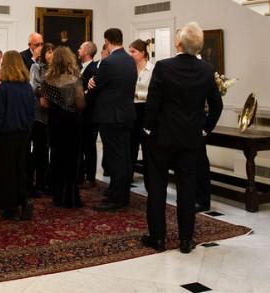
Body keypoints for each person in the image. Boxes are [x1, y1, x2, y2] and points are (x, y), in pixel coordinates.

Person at [142, 22, 223, 254]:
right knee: (187, 189)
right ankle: (186, 240)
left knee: (157, 188)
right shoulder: (206, 69)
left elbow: (153, 102)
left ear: (178, 43)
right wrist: (205, 129)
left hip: (162, 137)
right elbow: (216, 105)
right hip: (190, 139)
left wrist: (147, 128)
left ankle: (158, 238)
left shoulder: (163, 66)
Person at [87, 28, 137, 211]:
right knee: (124, 157)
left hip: (110, 116)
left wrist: (90, 85)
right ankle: (121, 192)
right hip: (126, 114)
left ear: (107, 41)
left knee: (115, 158)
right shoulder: (130, 60)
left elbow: (97, 86)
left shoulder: (108, 62)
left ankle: (117, 197)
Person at [0, 50, 36, 220]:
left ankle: (11, 208)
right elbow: (31, 113)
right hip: (23, 134)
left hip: (7, 136)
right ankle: (23, 201)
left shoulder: (4, 88)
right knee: (20, 170)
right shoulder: (27, 87)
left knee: (7, 171)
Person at [41, 46, 85, 208]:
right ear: (69, 60)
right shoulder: (75, 79)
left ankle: (58, 196)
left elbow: (43, 103)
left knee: (57, 156)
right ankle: (72, 198)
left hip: (55, 121)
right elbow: (81, 104)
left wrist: (56, 106)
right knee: (72, 158)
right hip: (72, 122)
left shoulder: (47, 80)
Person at [29, 42, 54, 195]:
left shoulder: (57, 69)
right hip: (39, 114)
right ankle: (36, 183)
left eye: (53, 51)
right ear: (43, 54)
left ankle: (46, 181)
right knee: (40, 150)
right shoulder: (36, 67)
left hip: (53, 113)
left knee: (49, 151)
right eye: (48, 52)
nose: (51, 54)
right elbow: (34, 87)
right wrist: (49, 93)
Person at [129, 39, 153, 177]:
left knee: (146, 145)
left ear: (143, 53)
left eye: (133, 51)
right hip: (131, 109)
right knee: (131, 144)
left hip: (145, 109)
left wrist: (138, 94)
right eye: (130, 51)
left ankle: (149, 178)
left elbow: (155, 93)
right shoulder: (130, 68)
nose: (131, 54)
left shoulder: (152, 69)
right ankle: (128, 175)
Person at [78, 41, 98, 189]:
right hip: (80, 114)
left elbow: (92, 92)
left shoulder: (94, 69)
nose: (78, 50)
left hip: (89, 114)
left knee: (89, 146)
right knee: (81, 145)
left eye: (80, 48)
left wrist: (80, 97)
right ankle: (81, 174)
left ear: (86, 52)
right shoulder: (80, 67)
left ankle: (90, 177)